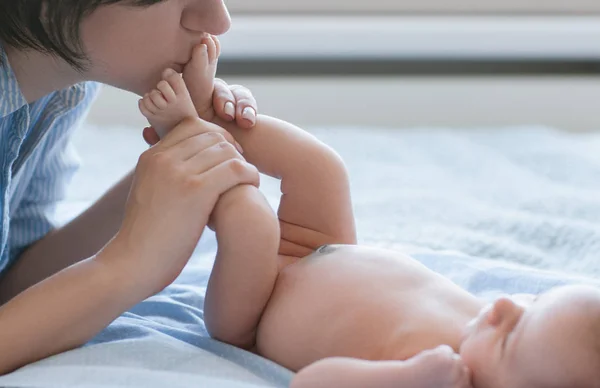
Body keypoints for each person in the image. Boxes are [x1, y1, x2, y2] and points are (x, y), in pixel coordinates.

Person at [140, 34, 600, 388]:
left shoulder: (431, 379)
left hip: (256, 309)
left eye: (510, 337)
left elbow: (310, 382)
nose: (502, 304)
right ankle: (209, 114)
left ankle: (183, 133)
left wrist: (406, 378)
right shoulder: (496, 327)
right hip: (323, 246)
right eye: (531, 304)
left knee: (252, 223)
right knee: (323, 170)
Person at [0, 0, 262, 374]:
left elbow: (12, 283)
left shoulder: (61, 84)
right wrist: (125, 268)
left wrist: (177, 156)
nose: (217, 21)